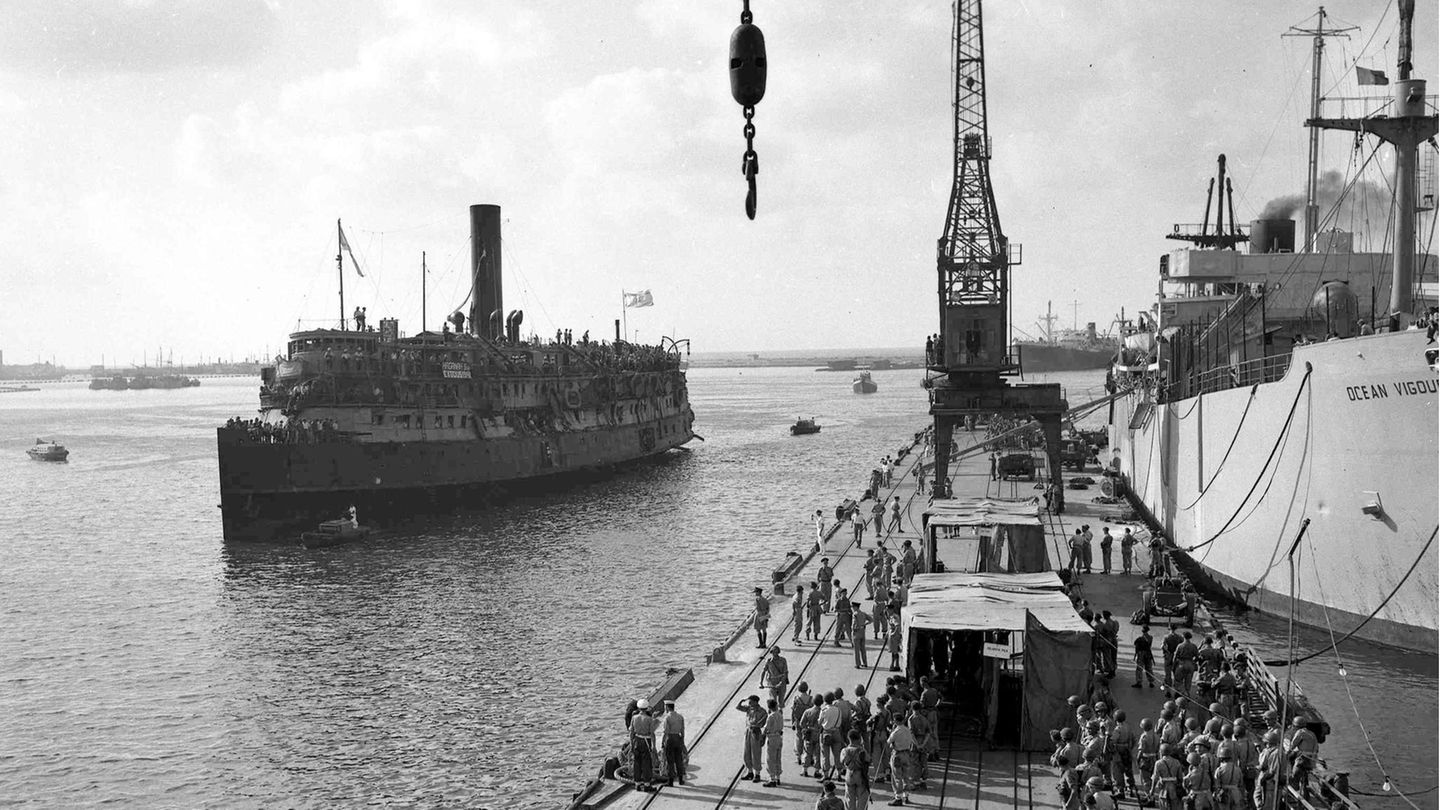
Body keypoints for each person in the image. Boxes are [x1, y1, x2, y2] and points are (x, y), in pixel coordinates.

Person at [886, 715, 916, 806]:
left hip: (897, 754)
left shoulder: (896, 731)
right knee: (906, 776)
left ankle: (898, 798)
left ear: (895, 721)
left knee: (897, 777)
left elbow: (888, 742)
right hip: (906, 754)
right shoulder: (907, 730)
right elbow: (912, 741)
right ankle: (906, 796)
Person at [1286, 716, 1319, 797]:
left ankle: (1293, 796)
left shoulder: (1300, 732)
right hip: (1311, 759)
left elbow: (1292, 745)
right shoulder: (1312, 733)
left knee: (1294, 777)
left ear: (1295, 726)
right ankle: (1306, 795)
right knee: (1304, 778)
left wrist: (1286, 753)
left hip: (1302, 759)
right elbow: (1316, 748)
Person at [629, 699, 658, 791]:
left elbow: (631, 732)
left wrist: (631, 744)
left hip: (637, 740)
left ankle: (637, 783)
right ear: (647, 708)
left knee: (637, 762)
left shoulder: (634, 718)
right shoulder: (649, 719)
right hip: (646, 741)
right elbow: (652, 733)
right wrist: (653, 745)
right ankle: (646, 784)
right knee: (646, 763)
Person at [737, 694, 766, 782]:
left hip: (756, 732)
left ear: (755, 702)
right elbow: (738, 707)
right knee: (747, 752)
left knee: (756, 753)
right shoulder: (749, 708)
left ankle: (757, 774)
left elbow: (763, 723)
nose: (749, 702)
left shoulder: (762, 711)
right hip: (748, 731)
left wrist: (756, 727)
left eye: (750, 701)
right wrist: (742, 701)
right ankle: (750, 772)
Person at [840, 729, 871, 809]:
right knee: (862, 797)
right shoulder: (862, 751)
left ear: (849, 738)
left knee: (849, 797)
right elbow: (868, 760)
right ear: (859, 739)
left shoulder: (845, 750)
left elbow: (842, 761)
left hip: (849, 774)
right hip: (860, 775)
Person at [818, 693, 844, 780]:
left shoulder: (824, 710)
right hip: (836, 732)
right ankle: (839, 773)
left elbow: (819, 722)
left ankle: (826, 775)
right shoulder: (838, 710)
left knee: (825, 754)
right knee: (837, 754)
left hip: (826, 733)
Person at [660, 700, 686, 786]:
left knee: (670, 760)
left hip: (670, 739)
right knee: (679, 759)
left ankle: (670, 781)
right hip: (678, 738)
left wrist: (663, 742)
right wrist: (682, 741)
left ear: (667, 707)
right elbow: (682, 730)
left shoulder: (667, 718)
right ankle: (681, 780)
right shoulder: (680, 717)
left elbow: (666, 731)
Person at [799, 689, 823, 778]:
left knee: (807, 752)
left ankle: (804, 770)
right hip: (818, 734)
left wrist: (806, 728)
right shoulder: (822, 712)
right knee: (817, 753)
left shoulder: (808, 711)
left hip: (809, 734)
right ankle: (817, 771)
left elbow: (801, 723)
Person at [763, 697, 786, 787]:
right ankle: (778, 777)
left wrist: (762, 736)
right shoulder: (780, 715)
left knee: (770, 759)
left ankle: (772, 779)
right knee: (778, 757)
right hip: (779, 738)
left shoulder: (771, 716)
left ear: (769, 708)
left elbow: (766, 728)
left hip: (772, 738)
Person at [1132, 624, 1157, 688]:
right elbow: (1149, 646)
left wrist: (1135, 656)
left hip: (1141, 654)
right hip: (1148, 653)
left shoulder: (1140, 639)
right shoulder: (1151, 637)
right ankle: (1151, 682)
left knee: (1139, 668)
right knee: (1149, 668)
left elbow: (1136, 646)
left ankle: (1139, 682)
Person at [851, 602, 871, 669]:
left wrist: (854, 629)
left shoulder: (855, 614)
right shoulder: (863, 613)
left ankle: (857, 664)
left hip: (856, 632)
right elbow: (871, 620)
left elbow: (854, 624)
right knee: (863, 648)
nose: (852, 608)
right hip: (862, 632)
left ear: (856, 607)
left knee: (856, 649)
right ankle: (865, 663)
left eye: (853, 607)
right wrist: (864, 624)